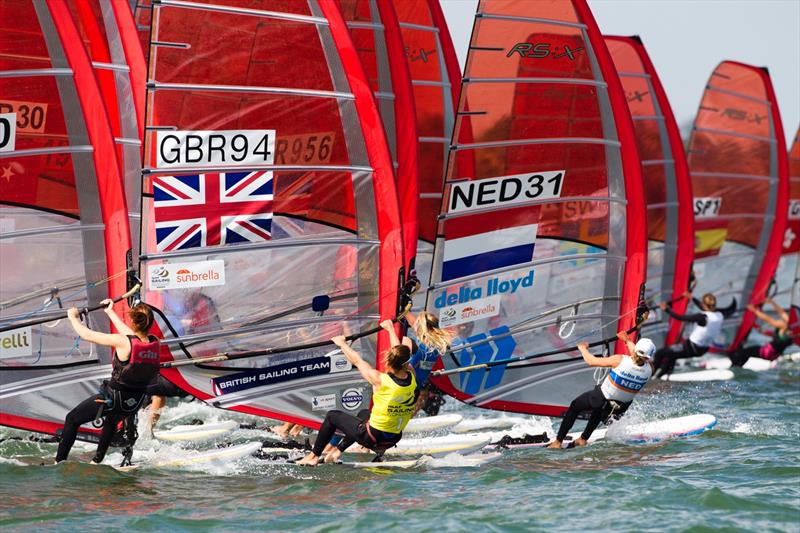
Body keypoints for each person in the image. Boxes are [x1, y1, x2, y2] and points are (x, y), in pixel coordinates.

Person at [55, 301, 160, 464]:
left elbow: (87, 335)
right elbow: (131, 336)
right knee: (112, 420)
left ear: (133, 321)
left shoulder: (123, 341)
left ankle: (59, 462)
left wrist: (73, 318)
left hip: (113, 398)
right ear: (150, 323)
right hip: (133, 403)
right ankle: (97, 461)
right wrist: (110, 312)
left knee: (72, 419)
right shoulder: (154, 343)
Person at [296, 333, 417, 466]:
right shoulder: (411, 376)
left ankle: (313, 456)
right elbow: (400, 354)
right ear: (406, 363)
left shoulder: (379, 379)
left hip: (372, 437)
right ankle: (338, 451)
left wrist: (342, 344)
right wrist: (389, 329)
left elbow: (357, 360)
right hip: (392, 439)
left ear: (389, 360)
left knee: (332, 416)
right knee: (363, 413)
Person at [547, 331, 655, 449]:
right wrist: (627, 340)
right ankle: (583, 439)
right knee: (599, 411)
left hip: (600, 398)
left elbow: (592, 361)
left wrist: (582, 348)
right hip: (618, 409)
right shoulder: (650, 369)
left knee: (575, 406)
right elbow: (639, 359)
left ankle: (558, 442)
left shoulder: (619, 360)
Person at [653, 293, 736, 377]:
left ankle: (651, 375)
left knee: (660, 353)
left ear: (703, 304)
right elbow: (731, 309)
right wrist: (692, 298)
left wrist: (666, 309)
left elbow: (681, 317)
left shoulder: (702, 317)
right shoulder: (720, 314)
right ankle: (664, 375)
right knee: (672, 355)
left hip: (690, 348)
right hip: (703, 350)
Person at [399, 312, 451, 415]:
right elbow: (415, 324)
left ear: (421, 328)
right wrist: (405, 311)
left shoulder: (413, 344)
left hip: (405, 386)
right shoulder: (439, 345)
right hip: (418, 387)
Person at [729, 297, 795, 366]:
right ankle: (738, 366)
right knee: (746, 353)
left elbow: (768, 319)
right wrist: (772, 303)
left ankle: (734, 366)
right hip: (775, 354)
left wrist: (754, 310)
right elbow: (782, 313)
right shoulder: (794, 327)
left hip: (768, 352)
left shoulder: (784, 325)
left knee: (744, 353)